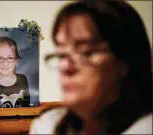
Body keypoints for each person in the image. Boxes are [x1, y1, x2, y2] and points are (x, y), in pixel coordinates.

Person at [30, 0, 152, 134]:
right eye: (61, 55)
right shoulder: (46, 126)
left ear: (125, 61)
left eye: (86, 52)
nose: (65, 67)